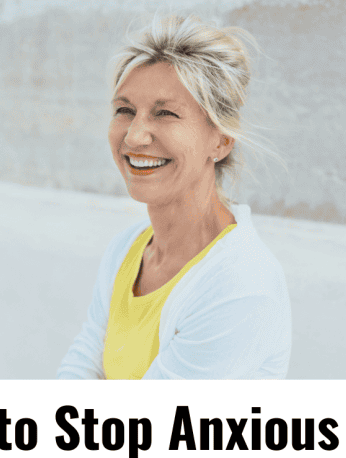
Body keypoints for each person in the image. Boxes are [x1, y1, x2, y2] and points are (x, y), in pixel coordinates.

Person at [57, 15, 291, 381]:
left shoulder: (240, 284)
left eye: (165, 113)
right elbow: (83, 364)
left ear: (221, 140)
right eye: (125, 110)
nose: (134, 137)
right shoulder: (126, 250)